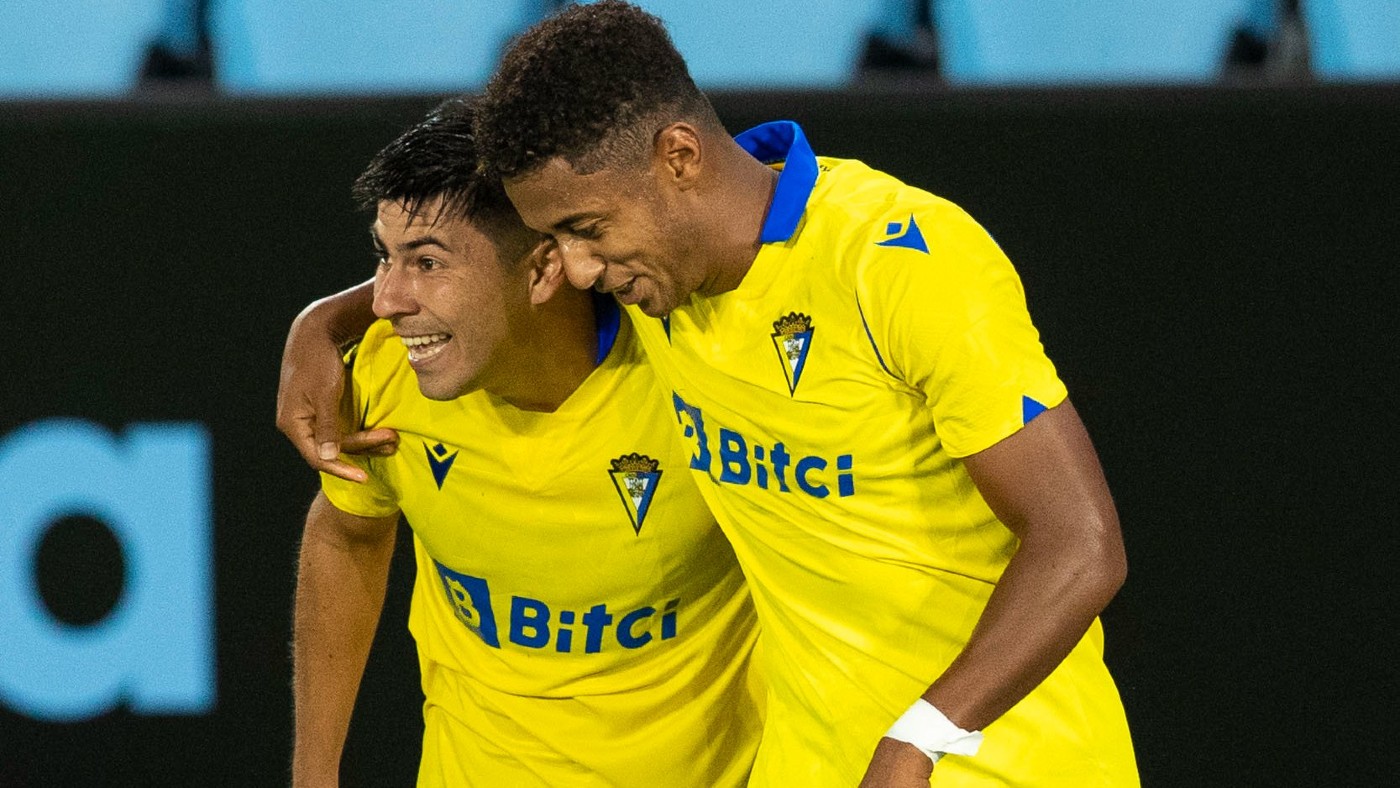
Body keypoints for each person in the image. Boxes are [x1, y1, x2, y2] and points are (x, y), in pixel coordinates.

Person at [280, 3, 1138, 785]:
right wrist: (323, 324)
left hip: (1007, 760)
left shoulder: (898, 264)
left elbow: (1082, 543)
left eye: (586, 231)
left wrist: (919, 738)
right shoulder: (656, 288)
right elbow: (482, 283)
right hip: (811, 765)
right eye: (557, 241)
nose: (578, 269)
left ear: (680, 158)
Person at [287, 96, 762, 787]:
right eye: (384, 258)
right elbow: (346, 534)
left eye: (427, 263)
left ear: (543, 270)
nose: (386, 302)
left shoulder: (693, 373)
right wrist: (314, 774)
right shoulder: (385, 373)